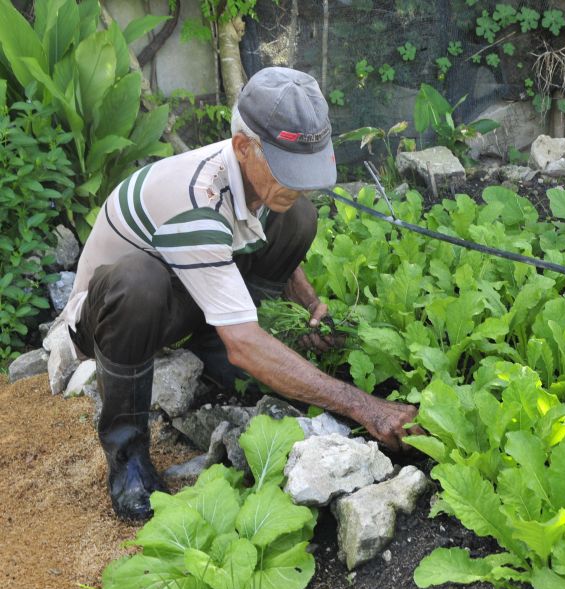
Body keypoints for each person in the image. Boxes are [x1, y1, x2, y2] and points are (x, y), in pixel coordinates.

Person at [59, 67, 422, 522]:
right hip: (115, 318)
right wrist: (366, 407)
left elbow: (254, 225)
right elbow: (241, 333)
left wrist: (308, 303)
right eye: (290, 169)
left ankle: (216, 357)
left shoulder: (250, 178)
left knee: (296, 215)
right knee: (140, 281)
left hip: (187, 294)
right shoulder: (196, 198)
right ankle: (127, 455)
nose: (301, 181)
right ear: (243, 146)